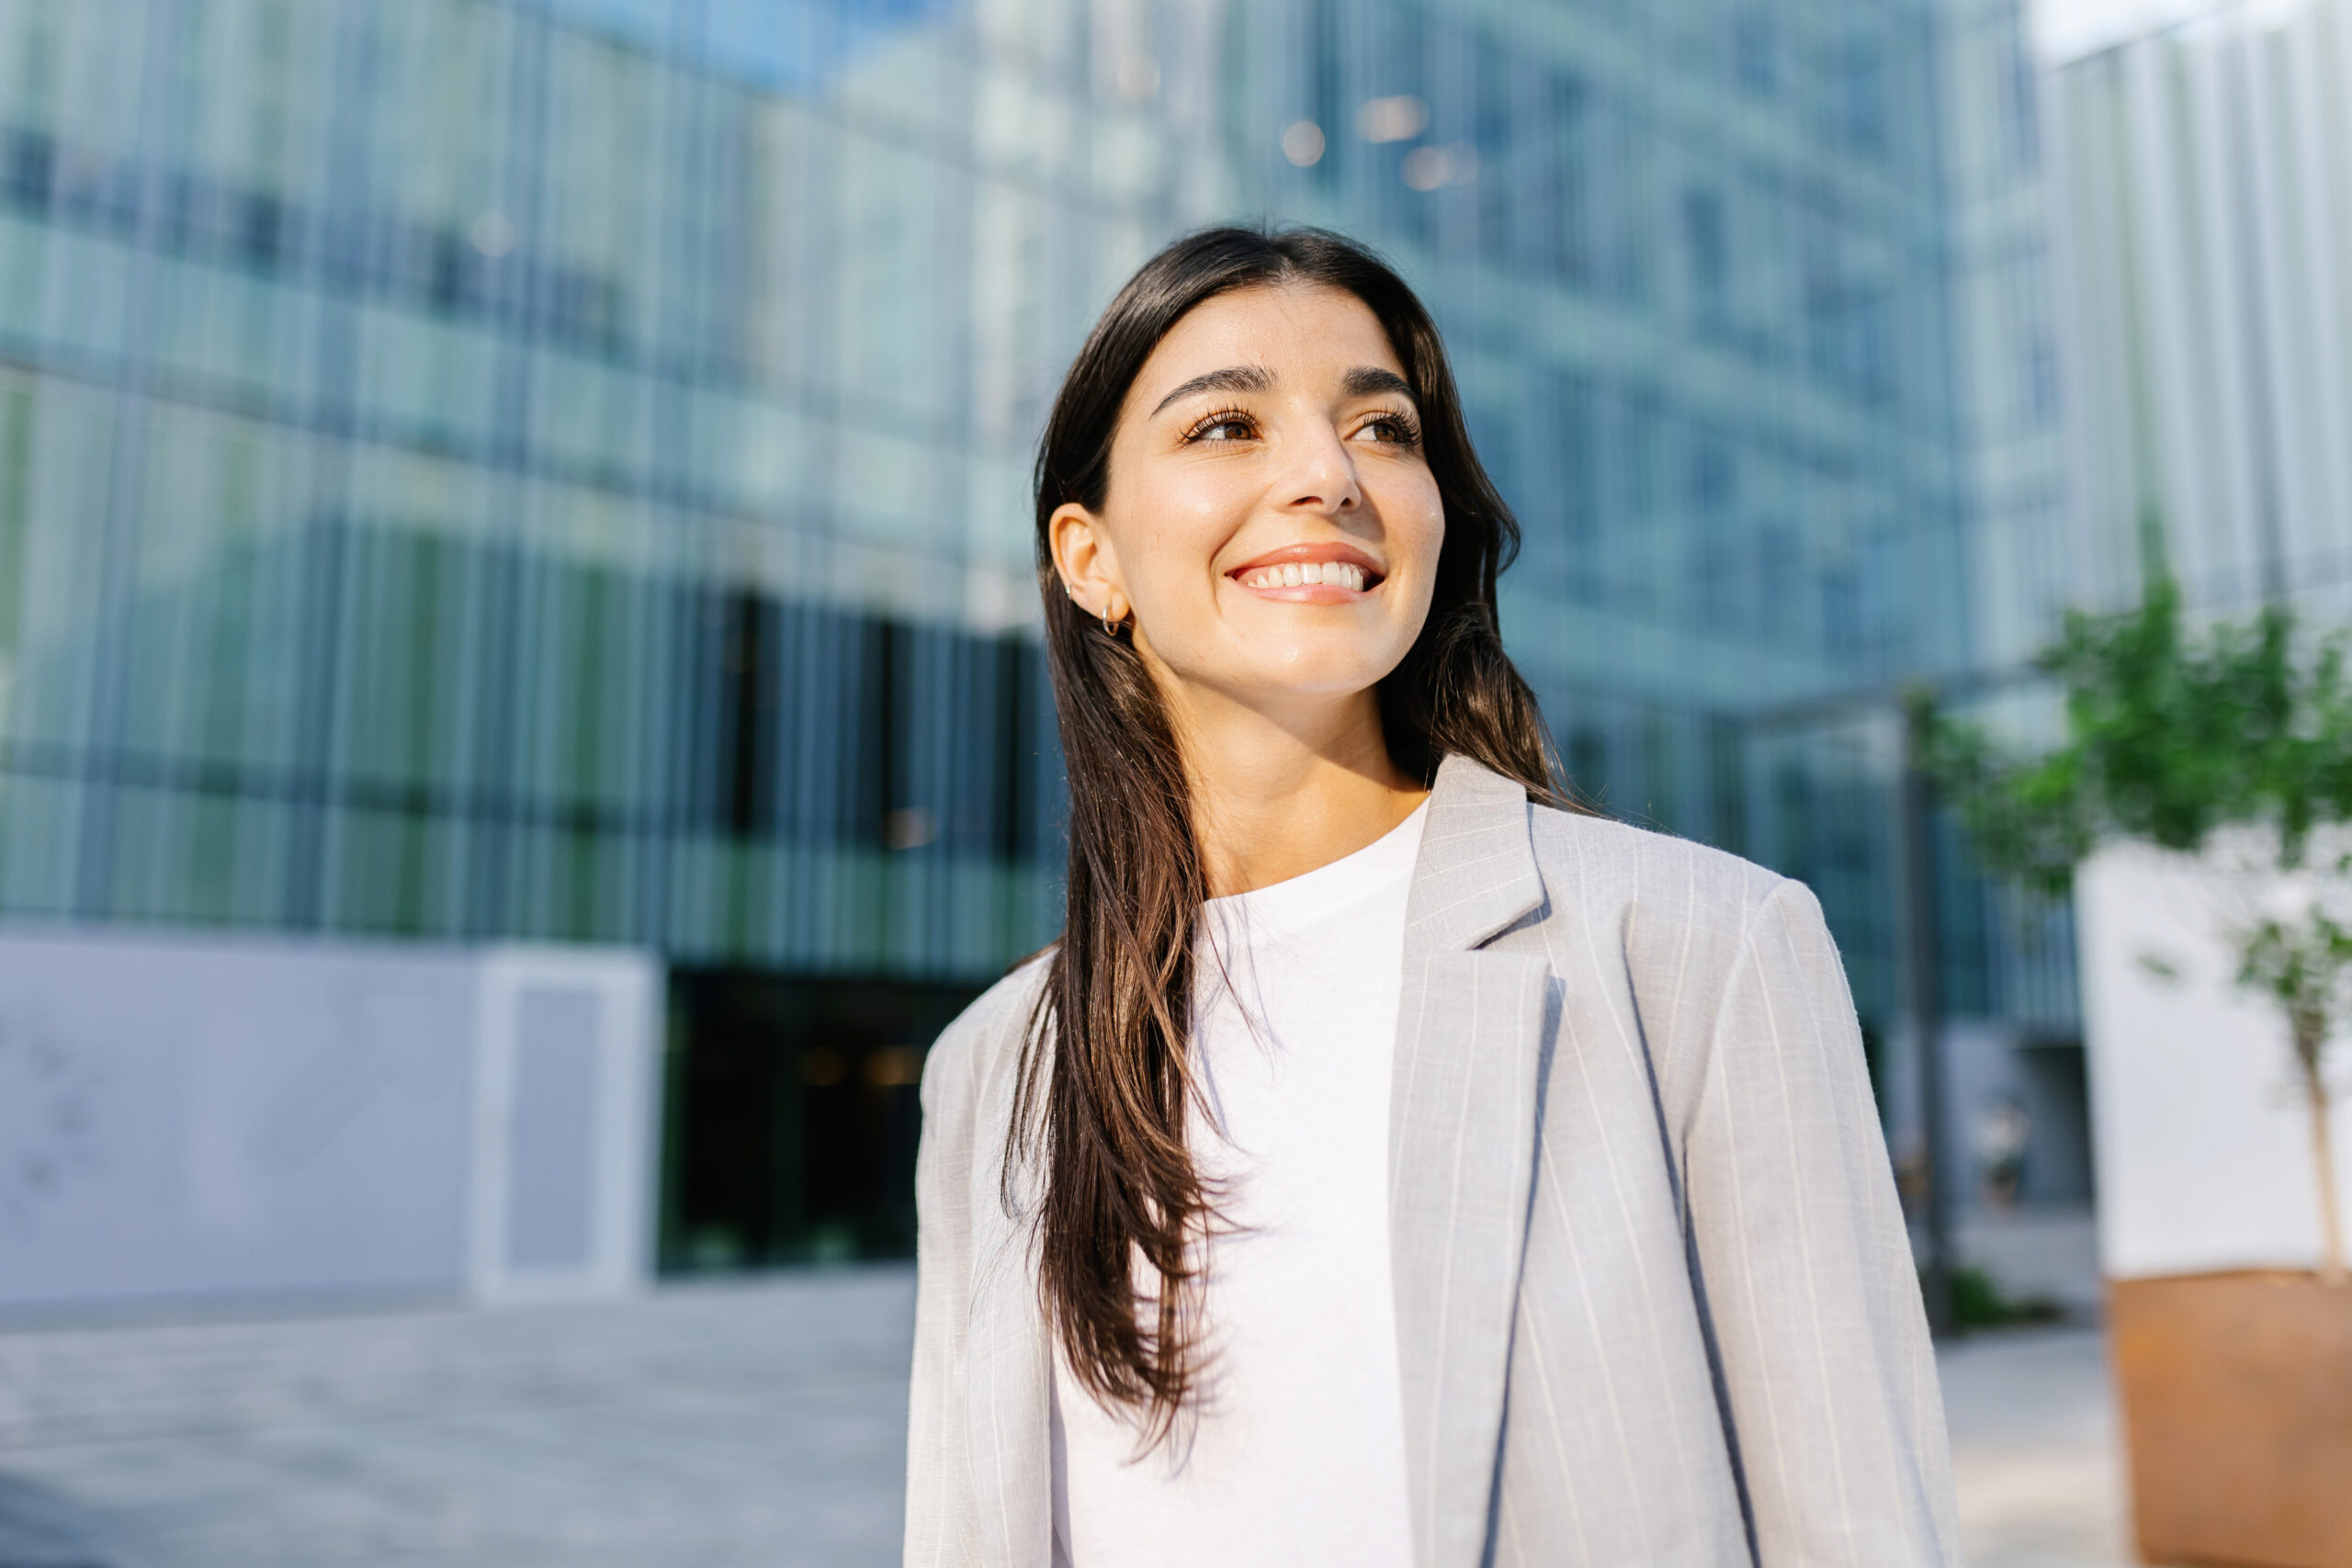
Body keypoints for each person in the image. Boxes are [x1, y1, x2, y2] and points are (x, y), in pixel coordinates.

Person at [903, 226, 1960, 1568]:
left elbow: (1860, 1521)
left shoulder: (1699, 950)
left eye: (1384, 429)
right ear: (1090, 558)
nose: (1327, 476)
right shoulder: (995, 1068)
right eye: (1228, 424)